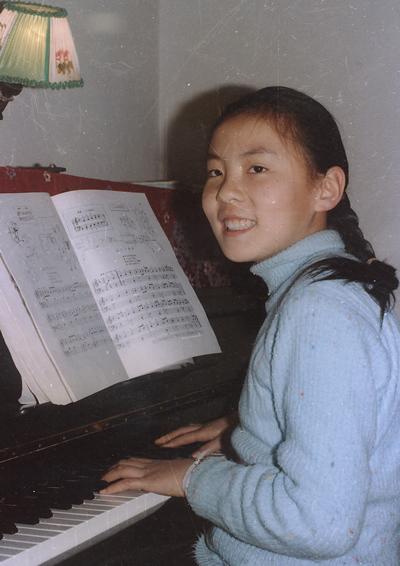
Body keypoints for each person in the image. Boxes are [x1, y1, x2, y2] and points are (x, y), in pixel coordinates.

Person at [102, 86, 400, 565]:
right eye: (215, 171)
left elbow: (319, 524)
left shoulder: (319, 311)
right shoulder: (331, 287)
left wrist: (189, 478)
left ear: (326, 187)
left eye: (256, 168)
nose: (226, 192)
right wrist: (250, 432)